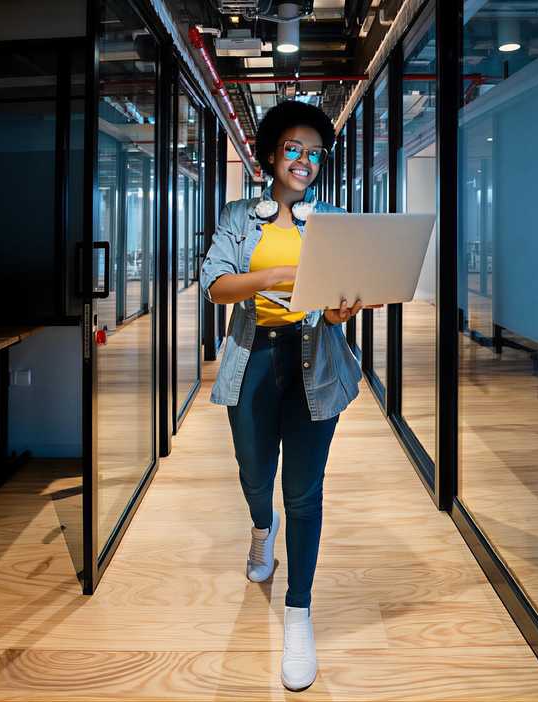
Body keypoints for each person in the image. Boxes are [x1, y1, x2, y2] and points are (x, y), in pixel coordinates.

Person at [199, 100, 372, 692]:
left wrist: (345, 307)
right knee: (254, 473)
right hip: (253, 357)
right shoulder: (238, 216)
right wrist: (274, 276)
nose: (303, 160)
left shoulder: (334, 220)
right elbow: (217, 286)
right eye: (292, 149)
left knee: (303, 492)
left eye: (313, 153)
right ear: (272, 155)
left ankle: (299, 611)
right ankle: (257, 525)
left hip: (314, 357)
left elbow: (340, 298)